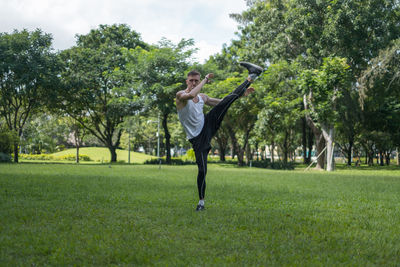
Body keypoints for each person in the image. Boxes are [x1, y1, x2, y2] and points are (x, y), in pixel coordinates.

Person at [176, 62, 263, 211]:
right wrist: (204, 80)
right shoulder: (181, 96)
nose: (194, 83)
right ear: (187, 81)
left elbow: (223, 102)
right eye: (191, 80)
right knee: (202, 170)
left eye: (196, 80)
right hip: (197, 138)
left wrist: (241, 96)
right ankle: (201, 202)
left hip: (208, 124)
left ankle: (252, 76)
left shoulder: (203, 97)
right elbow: (191, 94)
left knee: (226, 102)